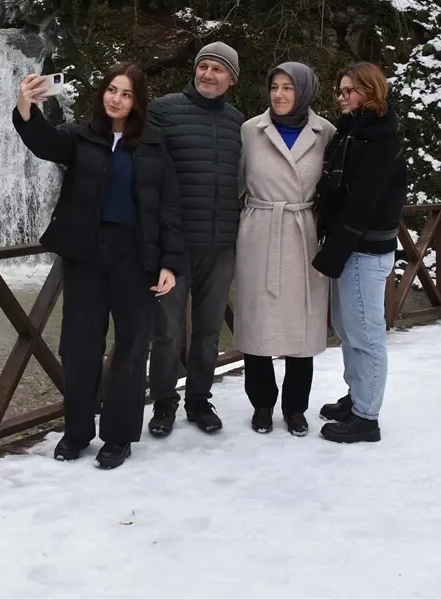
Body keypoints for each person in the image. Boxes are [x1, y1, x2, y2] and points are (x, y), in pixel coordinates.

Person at [12, 63, 185, 469]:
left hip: (136, 257)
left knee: (130, 347)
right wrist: (24, 106)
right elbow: (42, 142)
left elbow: (169, 210)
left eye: (126, 94)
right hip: (87, 253)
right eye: (111, 90)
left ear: (137, 102)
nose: (116, 99)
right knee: (80, 346)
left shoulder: (155, 146)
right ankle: (76, 432)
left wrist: (171, 264)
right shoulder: (81, 135)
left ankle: (119, 436)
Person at [146, 42, 244, 436]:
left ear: (231, 80)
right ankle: (164, 402)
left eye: (218, 69)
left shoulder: (240, 123)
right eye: (203, 66)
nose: (207, 74)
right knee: (167, 330)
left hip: (221, 243)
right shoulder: (164, 110)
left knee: (207, 330)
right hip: (174, 245)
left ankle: (200, 400)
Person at [234, 62, 335, 436]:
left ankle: (295, 407)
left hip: (303, 233)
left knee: (301, 328)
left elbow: (334, 188)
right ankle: (262, 404)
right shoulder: (250, 130)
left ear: (304, 92)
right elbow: (234, 184)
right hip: (259, 230)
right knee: (257, 322)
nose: (279, 95)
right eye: (274, 86)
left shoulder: (325, 132)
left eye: (288, 88)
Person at [312, 62, 407, 444]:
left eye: (349, 90)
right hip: (352, 247)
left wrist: (329, 255)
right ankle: (357, 398)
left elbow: (362, 204)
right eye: (339, 90)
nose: (341, 97)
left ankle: (367, 416)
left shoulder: (380, 140)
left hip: (365, 250)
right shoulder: (354, 133)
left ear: (370, 92)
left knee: (366, 335)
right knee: (350, 331)